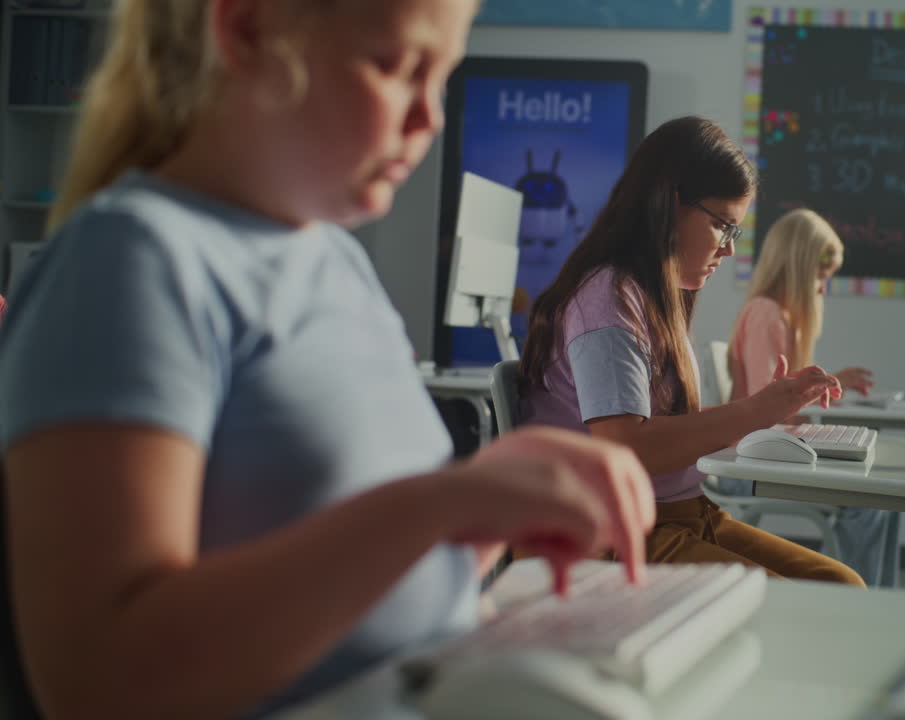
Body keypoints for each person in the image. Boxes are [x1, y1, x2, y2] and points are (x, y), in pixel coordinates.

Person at [0, 2, 654, 718]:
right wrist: (443, 503)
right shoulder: (131, 259)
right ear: (247, 30)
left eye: (441, 78)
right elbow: (98, 680)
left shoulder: (335, 262)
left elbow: (367, 583)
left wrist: (487, 505)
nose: (430, 118)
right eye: (398, 67)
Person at [519, 116, 863, 586]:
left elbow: (666, 430)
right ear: (669, 204)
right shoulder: (607, 299)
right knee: (806, 607)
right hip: (616, 531)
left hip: (681, 514)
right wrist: (756, 411)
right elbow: (626, 448)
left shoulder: (652, 297)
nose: (727, 250)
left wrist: (765, 408)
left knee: (841, 588)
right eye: (723, 225)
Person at [726, 207, 900, 587]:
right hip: (752, 465)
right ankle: (865, 604)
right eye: (820, 277)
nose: (822, 289)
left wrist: (829, 382)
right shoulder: (766, 315)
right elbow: (765, 408)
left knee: (883, 499)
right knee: (871, 502)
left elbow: (779, 397)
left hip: (771, 453)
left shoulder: (778, 316)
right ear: (798, 268)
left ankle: (881, 601)